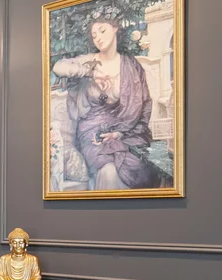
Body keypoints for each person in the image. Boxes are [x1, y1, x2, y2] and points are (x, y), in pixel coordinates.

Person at [50, 17, 162, 191]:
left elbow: (144, 106)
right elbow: (58, 67)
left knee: (143, 166)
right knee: (109, 170)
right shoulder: (89, 61)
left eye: (102, 31)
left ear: (115, 28)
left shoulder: (131, 66)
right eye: (94, 35)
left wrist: (119, 133)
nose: (98, 38)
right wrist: (89, 73)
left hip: (126, 132)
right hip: (93, 132)